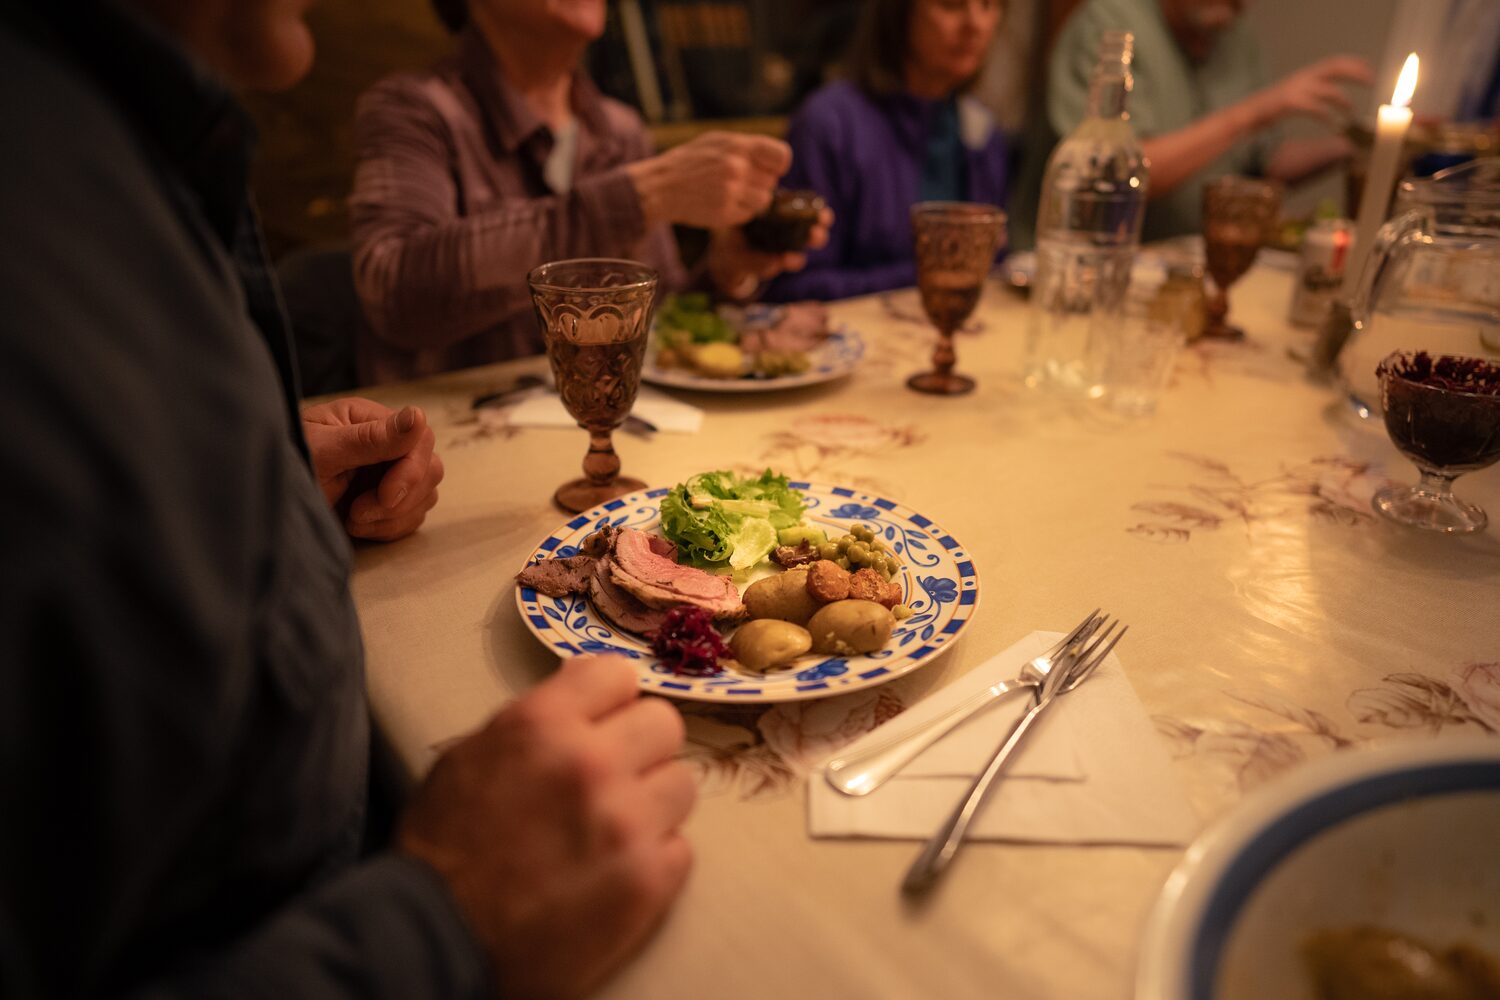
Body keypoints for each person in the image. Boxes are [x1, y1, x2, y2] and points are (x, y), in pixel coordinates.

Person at [0, 2, 694, 997]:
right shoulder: (407, 109)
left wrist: (277, 485)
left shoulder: (127, 150)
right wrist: (441, 920)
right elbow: (395, 285)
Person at [350, 0, 828, 384]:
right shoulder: (415, 109)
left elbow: (656, 320)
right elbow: (393, 290)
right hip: (455, 451)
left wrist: (726, 273)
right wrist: (638, 196)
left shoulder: (618, 129)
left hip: (607, 428)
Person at [1042, 0, 1373, 242]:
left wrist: (1360, 146)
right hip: (1089, 260)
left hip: (1191, 264)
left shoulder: (1234, 35)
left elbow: (1264, 165)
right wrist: (1255, 112)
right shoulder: (1111, 22)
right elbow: (1123, 172)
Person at [764, 0, 1013, 302]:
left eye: (989, 4)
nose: (976, 24)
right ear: (898, 12)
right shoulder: (829, 125)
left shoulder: (982, 130)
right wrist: (935, 273)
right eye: (951, 4)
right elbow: (791, 285)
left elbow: (993, 265)